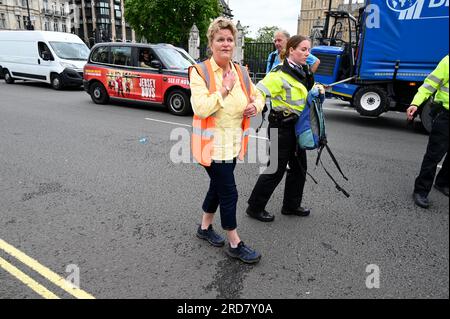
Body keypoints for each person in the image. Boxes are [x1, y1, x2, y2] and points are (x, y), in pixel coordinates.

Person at [189, 17, 265, 264]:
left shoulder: (241, 71)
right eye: (220, 39)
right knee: (229, 192)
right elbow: (201, 108)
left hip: (233, 145)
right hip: (211, 147)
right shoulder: (200, 72)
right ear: (211, 43)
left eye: (229, 39)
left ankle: (204, 228)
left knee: (217, 188)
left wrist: (255, 105)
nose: (226, 44)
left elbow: (258, 95)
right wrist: (224, 89)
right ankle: (234, 242)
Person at [247, 35, 316, 222]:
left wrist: (318, 89)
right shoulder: (278, 73)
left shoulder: (303, 71)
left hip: (298, 128)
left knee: (299, 168)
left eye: (308, 49)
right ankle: (254, 207)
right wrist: (256, 105)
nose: (307, 53)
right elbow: (258, 91)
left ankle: (291, 205)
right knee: (275, 169)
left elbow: (304, 93)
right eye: (303, 49)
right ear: (291, 50)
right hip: (281, 127)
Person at [407, 54, 449, 209]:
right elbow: (429, 85)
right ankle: (421, 190)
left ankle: (443, 182)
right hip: (445, 115)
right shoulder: (448, 61)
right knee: (434, 155)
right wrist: (416, 103)